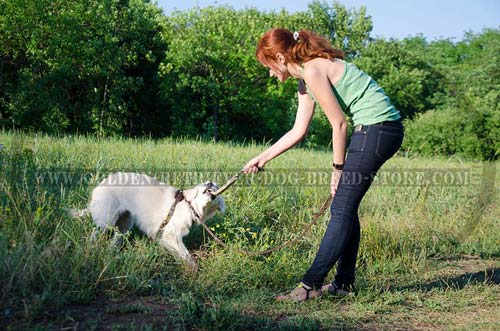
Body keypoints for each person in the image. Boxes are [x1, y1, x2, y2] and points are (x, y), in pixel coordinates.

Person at [242, 29, 404, 301]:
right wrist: (262, 158)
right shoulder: (305, 80)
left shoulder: (313, 70)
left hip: (378, 129)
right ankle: (343, 284)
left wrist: (337, 170)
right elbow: (298, 131)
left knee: (340, 209)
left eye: (268, 67)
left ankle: (308, 286)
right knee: (346, 208)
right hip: (377, 131)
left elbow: (339, 124)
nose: (270, 74)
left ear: (280, 57)